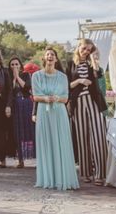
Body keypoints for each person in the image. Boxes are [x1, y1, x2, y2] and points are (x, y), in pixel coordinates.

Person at [33, 47, 79, 191]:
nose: (50, 56)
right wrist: (46, 98)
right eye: (48, 54)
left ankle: (62, 177)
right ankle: (48, 178)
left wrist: (57, 98)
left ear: (56, 59)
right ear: (44, 58)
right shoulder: (36, 76)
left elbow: (66, 98)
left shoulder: (63, 77)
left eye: (53, 54)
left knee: (61, 143)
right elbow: (35, 96)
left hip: (59, 113)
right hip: (43, 113)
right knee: (46, 144)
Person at [66, 39, 108, 186]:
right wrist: (80, 80)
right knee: (82, 137)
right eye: (84, 49)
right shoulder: (70, 64)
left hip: (94, 101)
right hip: (78, 102)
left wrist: (94, 60)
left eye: (89, 50)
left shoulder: (93, 64)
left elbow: (98, 76)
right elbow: (67, 85)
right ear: (78, 47)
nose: (86, 52)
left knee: (98, 136)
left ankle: (100, 174)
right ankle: (86, 172)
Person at [9, 56, 35, 168]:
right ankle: (20, 159)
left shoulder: (26, 75)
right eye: (12, 64)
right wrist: (13, 79)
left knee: (29, 129)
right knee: (17, 131)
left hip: (26, 104)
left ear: (20, 65)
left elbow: (27, 87)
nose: (15, 66)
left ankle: (34, 156)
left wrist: (17, 76)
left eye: (16, 64)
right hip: (15, 105)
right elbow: (10, 90)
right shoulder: (8, 76)